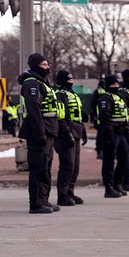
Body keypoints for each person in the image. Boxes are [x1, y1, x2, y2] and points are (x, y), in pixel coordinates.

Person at [17, 53, 60, 213]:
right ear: (35, 66)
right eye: (44, 65)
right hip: (39, 132)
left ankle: (44, 200)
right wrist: (40, 132)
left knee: (46, 167)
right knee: (38, 168)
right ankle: (36, 203)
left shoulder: (43, 83)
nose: (47, 67)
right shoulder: (32, 84)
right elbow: (34, 109)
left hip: (49, 130)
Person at [53, 70, 86, 206]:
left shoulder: (72, 94)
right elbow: (61, 117)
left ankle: (70, 192)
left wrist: (82, 130)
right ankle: (62, 195)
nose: (71, 82)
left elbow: (77, 115)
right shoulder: (59, 95)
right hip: (65, 133)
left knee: (75, 166)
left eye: (72, 79)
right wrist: (67, 134)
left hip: (76, 130)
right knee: (67, 165)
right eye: (68, 80)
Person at [97, 74, 129, 198]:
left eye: (117, 84)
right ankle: (109, 187)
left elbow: (125, 115)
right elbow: (104, 117)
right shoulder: (105, 98)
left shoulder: (120, 97)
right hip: (111, 133)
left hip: (121, 132)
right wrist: (109, 134)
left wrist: (127, 131)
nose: (116, 86)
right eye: (113, 84)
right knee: (109, 161)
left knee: (125, 159)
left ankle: (117, 183)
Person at [90, 75, 107, 159]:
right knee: (100, 135)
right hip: (99, 117)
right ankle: (99, 151)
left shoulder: (109, 90)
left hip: (108, 118)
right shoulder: (98, 91)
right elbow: (93, 104)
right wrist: (93, 117)